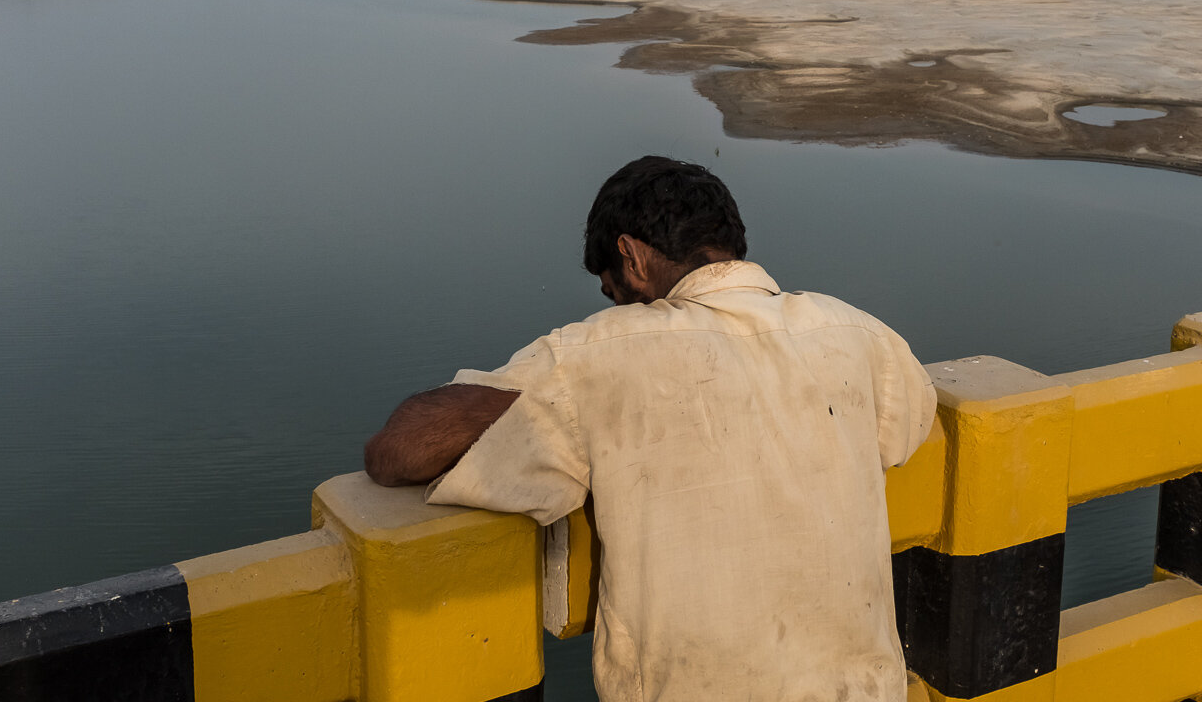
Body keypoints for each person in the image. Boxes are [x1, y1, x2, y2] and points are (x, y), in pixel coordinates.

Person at [365, 156, 936, 702]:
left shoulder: (595, 359)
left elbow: (401, 453)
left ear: (633, 257)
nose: (620, 308)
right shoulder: (864, 337)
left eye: (614, 292)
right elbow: (906, 427)